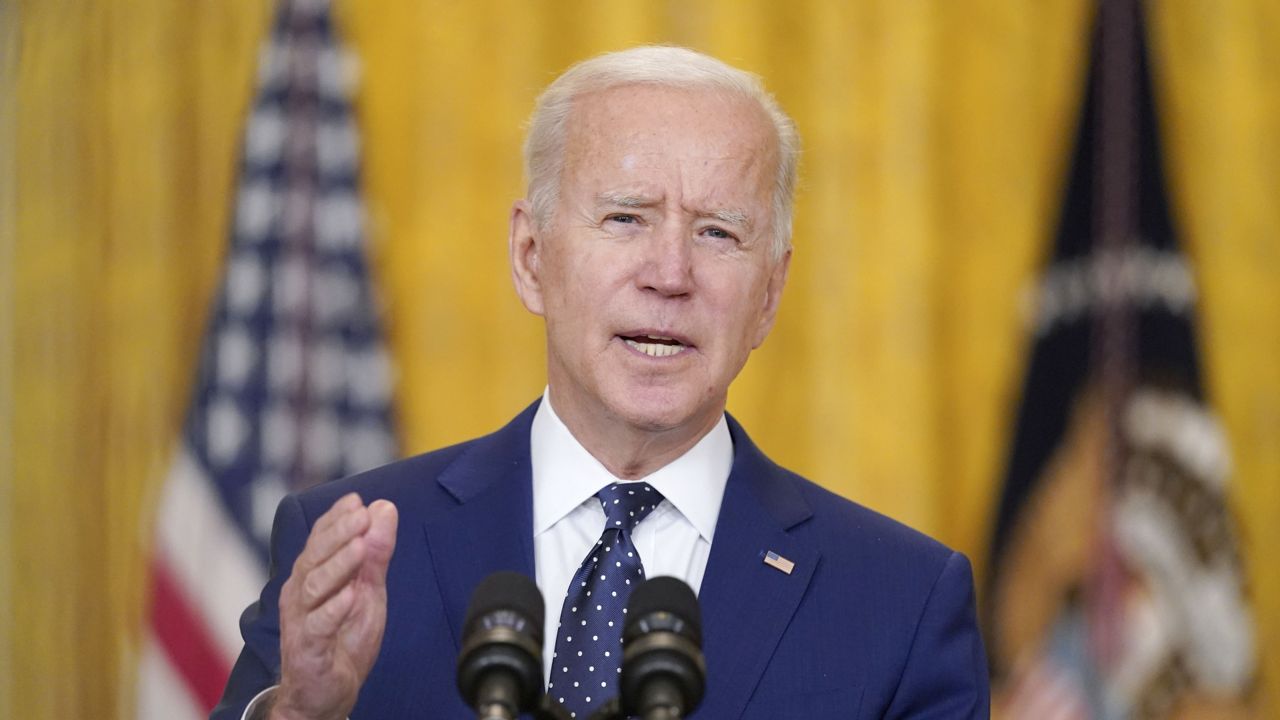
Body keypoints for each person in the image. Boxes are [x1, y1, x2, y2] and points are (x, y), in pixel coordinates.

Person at [213, 45, 989, 720]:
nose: (672, 274)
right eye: (626, 218)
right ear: (530, 257)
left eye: (719, 232)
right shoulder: (361, 554)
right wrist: (302, 715)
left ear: (770, 296)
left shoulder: (900, 604)